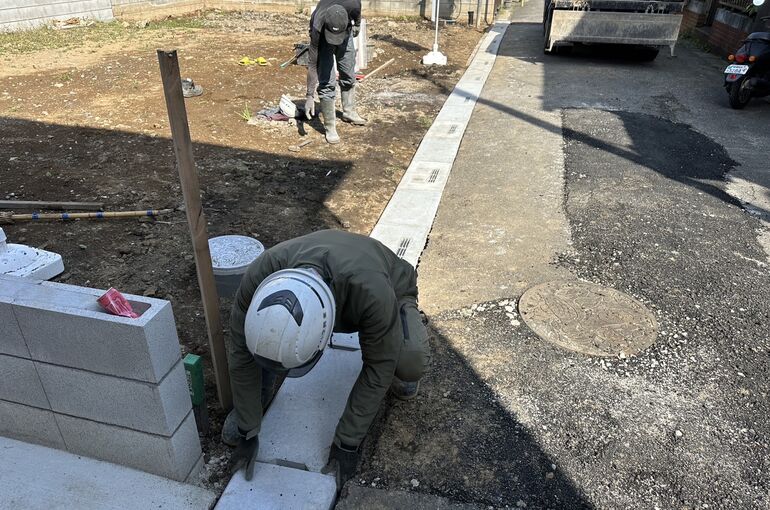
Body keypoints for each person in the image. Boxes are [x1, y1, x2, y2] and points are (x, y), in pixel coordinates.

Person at [224, 230, 431, 489]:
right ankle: (259, 397)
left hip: (390, 283)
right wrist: (247, 430)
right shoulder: (260, 277)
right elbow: (241, 354)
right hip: (333, 272)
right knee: (264, 347)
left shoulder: (373, 294)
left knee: (409, 362)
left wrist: (347, 442)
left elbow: (379, 365)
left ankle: (408, 329)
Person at [304, 0, 367, 144]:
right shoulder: (317, 27)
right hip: (323, 37)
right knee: (327, 81)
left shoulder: (352, 4)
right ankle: (330, 127)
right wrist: (309, 95)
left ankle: (349, 112)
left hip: (346, 35)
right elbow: (312, 64)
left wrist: (357, 24)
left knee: (348, 72)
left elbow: (357, 10)